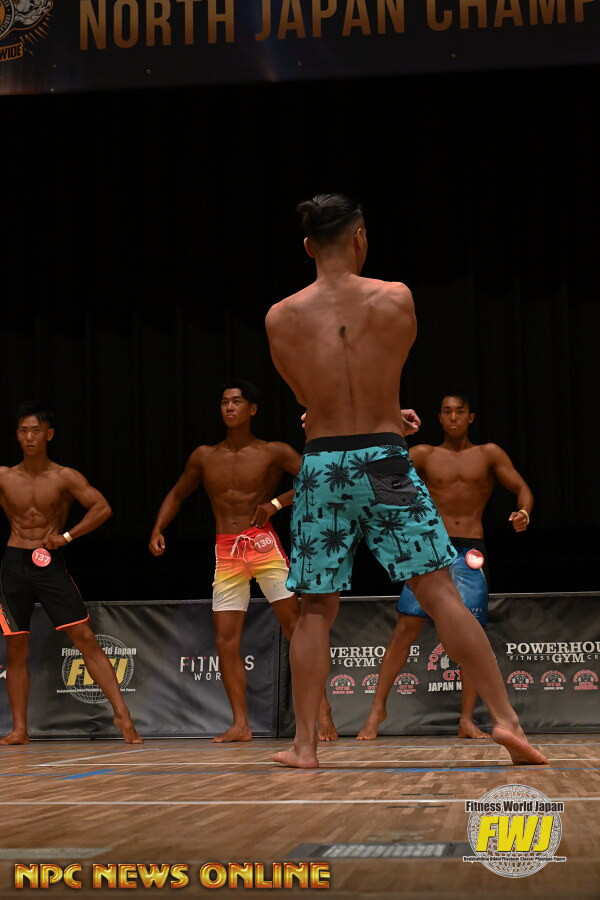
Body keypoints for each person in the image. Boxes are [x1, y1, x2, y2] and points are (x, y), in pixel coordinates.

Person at [265, 192, 548, 769]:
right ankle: (507, 721)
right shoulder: (396, 298)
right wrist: (389, 418)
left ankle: (304, 747)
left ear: (307, 247)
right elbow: (378, 372)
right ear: (360, 237)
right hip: (387, 462)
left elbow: (308, 400)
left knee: (315, 608)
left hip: (323, 467)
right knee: (440, 592)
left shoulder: (281, 316)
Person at [149, 380, 337, 743]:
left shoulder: (272, 451)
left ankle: (322, 709)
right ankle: (240, 723)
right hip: (226, 550)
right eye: (224, 402)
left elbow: (316, 478)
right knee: (225, 639)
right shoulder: (204, 456)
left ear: (252, 409)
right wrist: (158, 528)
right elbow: (177, 493)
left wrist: (276, 503)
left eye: (236, 402)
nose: (229, 407)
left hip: (262, 545)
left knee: (294, 626)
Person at [357, 388, 533, 741]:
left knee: (471, 633)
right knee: (405, 628)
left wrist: (524, 511)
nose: (453, 417)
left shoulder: (488, 453)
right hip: (429, 545)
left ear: (470, 417)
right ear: (438, 418)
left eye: (460, 411)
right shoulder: (424, 453)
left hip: (470, 550)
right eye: (447, 411)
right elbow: (382, 477)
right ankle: (376, 710)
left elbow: (521, 487)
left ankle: (467, 720)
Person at [0, 402, 142, 745]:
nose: (29, 437)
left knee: (85, 637)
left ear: (49, 435)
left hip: (49, 562)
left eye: (36, 431)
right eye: (23, 431)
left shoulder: (64, 476)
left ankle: (122, 714)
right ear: (17, 435)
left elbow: (102, 508)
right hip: (13, 564)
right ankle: (19, 729)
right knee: (15, 648)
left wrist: (66, 536)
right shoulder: (4, 476)